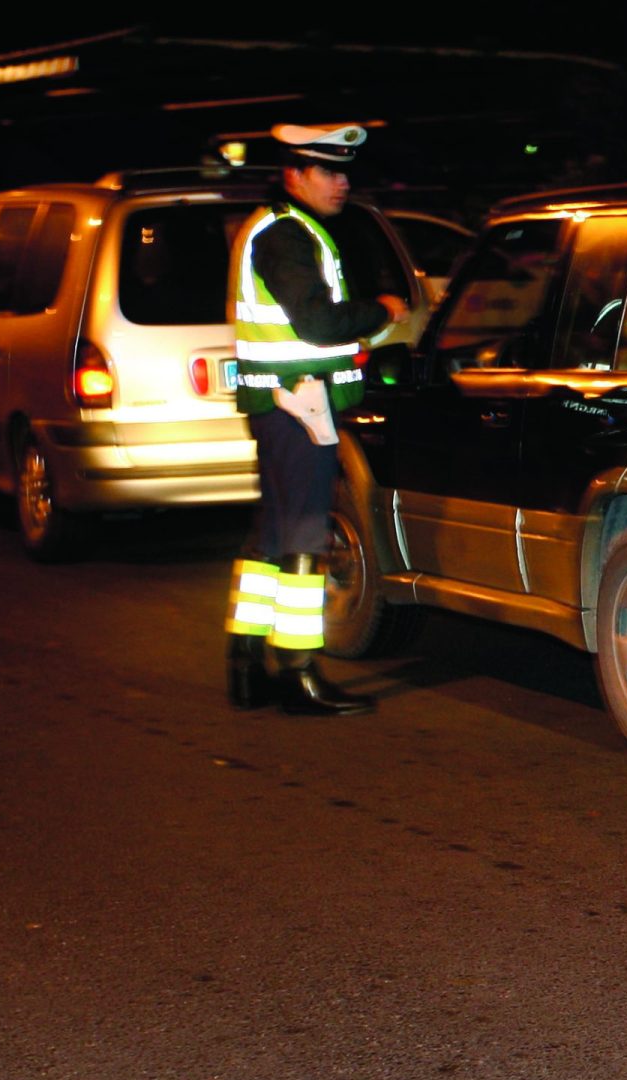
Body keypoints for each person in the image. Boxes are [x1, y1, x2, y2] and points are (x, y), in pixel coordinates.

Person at [223, 123, 408, 716]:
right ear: (294, 175)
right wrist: (379, 312)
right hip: (300, 404)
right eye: (329, 171)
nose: (342, 182)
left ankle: (248, 665)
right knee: (304, 536)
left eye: (345, 170)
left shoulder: (275, 229)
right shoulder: (287, 235)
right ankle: (299, 671)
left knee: (272, 537)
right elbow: (317, 324)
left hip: (280, 403)